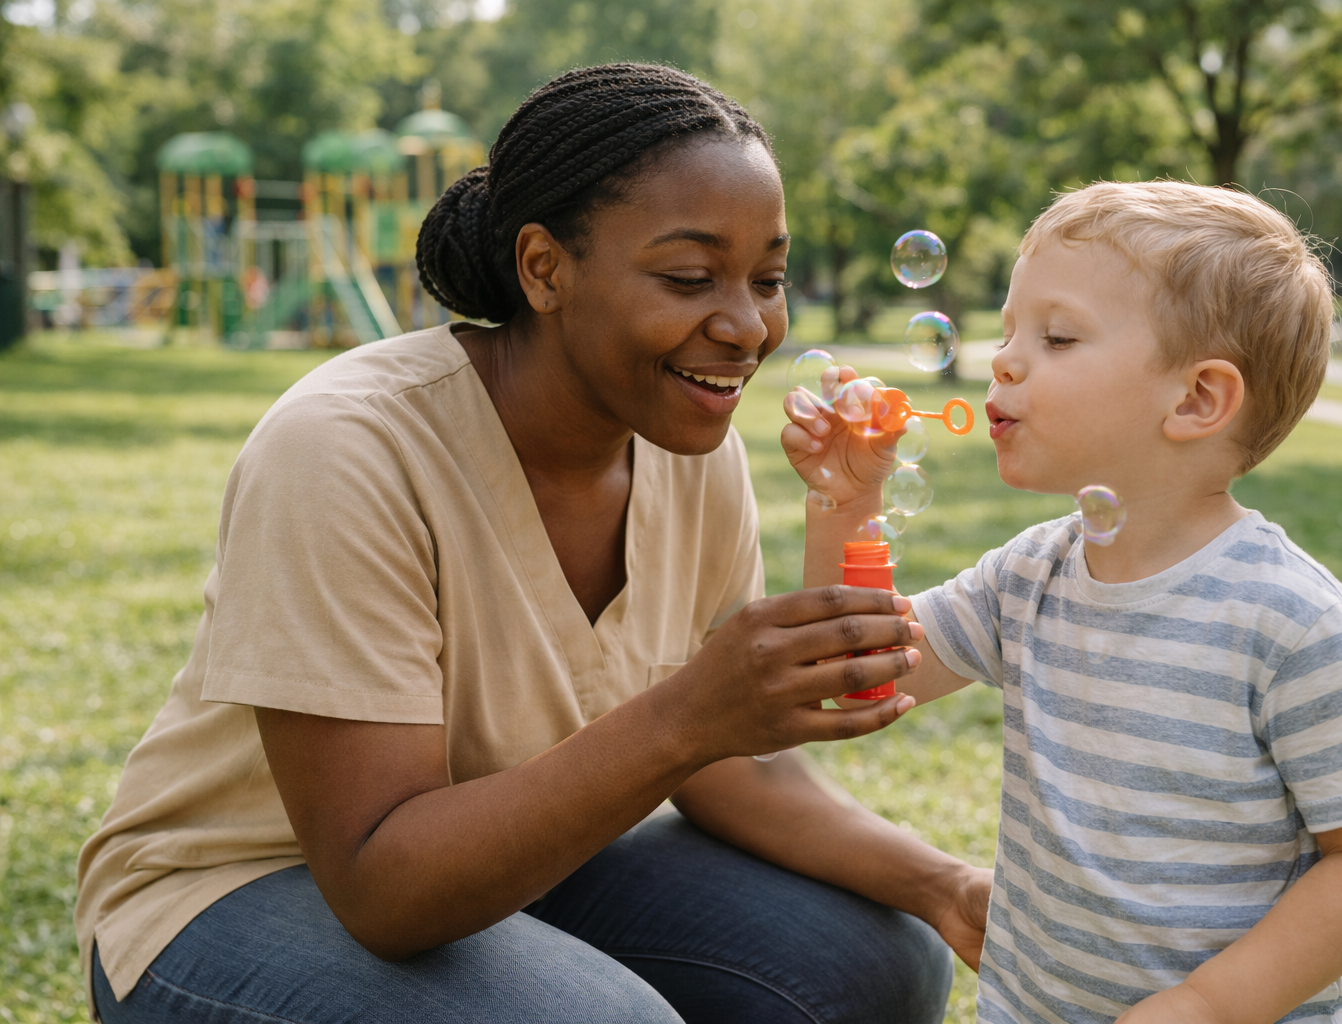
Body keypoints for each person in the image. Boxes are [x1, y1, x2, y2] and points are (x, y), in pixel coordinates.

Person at [77, 64, 992, 1024]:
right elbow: (381, 887)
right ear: (544, 269)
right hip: (245, 890)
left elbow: (721, 764)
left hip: (537, 862)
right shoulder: (348, 448)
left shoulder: (682, 438)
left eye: (768, 279)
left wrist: (942, 885)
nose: (746, 325)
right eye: (689, 278)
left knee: (885, 957)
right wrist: (686, 714)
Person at [783, 181, 1342, 1024]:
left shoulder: (1291, 622)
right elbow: (854, 671)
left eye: (1056, 336)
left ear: (1197, 398)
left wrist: (1207, 1004)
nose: (1005, 359)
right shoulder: (1030, 577)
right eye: (1010, 329)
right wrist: (844, 504)